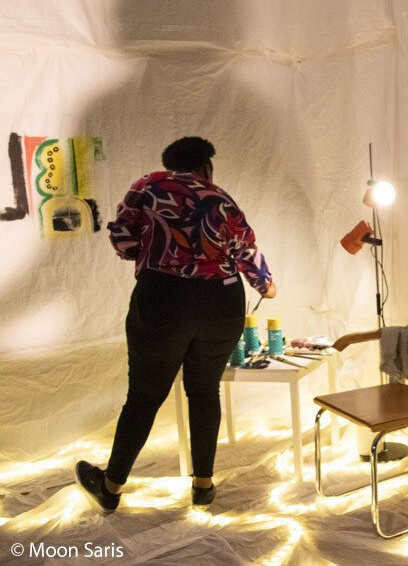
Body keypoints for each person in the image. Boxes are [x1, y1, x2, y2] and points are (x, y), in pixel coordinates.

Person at [75, 136, 277, 511]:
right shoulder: (220, 197)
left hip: (164, 301)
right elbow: (245, 248)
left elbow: (122, 237)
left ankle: (111, 487)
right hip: (222, 303)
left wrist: (152, 253)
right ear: (206, 166)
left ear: (171, 165)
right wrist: (265, 283)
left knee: (144, 397)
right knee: (204, 392)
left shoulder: (148, 186)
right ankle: (203, 486)